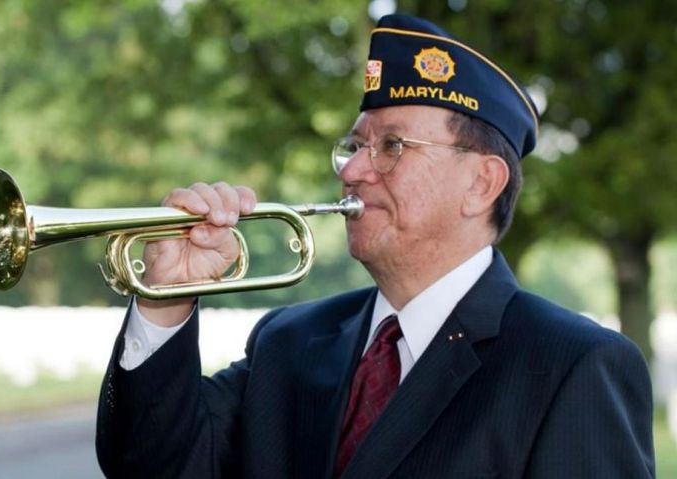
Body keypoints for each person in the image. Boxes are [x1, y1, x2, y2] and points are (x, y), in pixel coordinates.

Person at [95, 14, 654, 478]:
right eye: (355, 145)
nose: (355, 170)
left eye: (392, 145)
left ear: (481, 184)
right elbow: (150, 465)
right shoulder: (288, 342)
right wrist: (165, 299)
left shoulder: (571, 365)